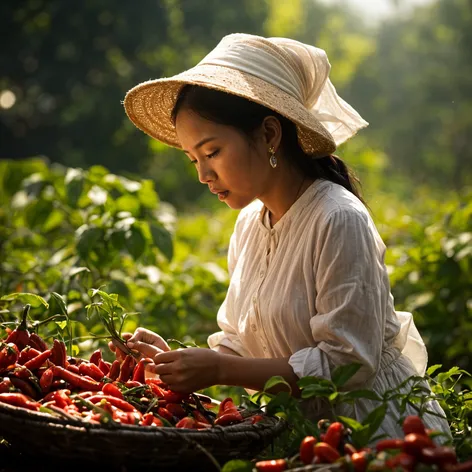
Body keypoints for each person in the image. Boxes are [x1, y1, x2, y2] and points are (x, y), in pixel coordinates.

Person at [115, 33, 450, 439]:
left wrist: (218, 368)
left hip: (375, 434)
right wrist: (175, 362)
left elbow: (347, 365)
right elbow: (242, 345)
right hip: (297, 433)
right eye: (193, 159)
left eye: (212, 152)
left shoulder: (338, 219)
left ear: (270, 135)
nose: (203, 175)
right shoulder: (251, 223)